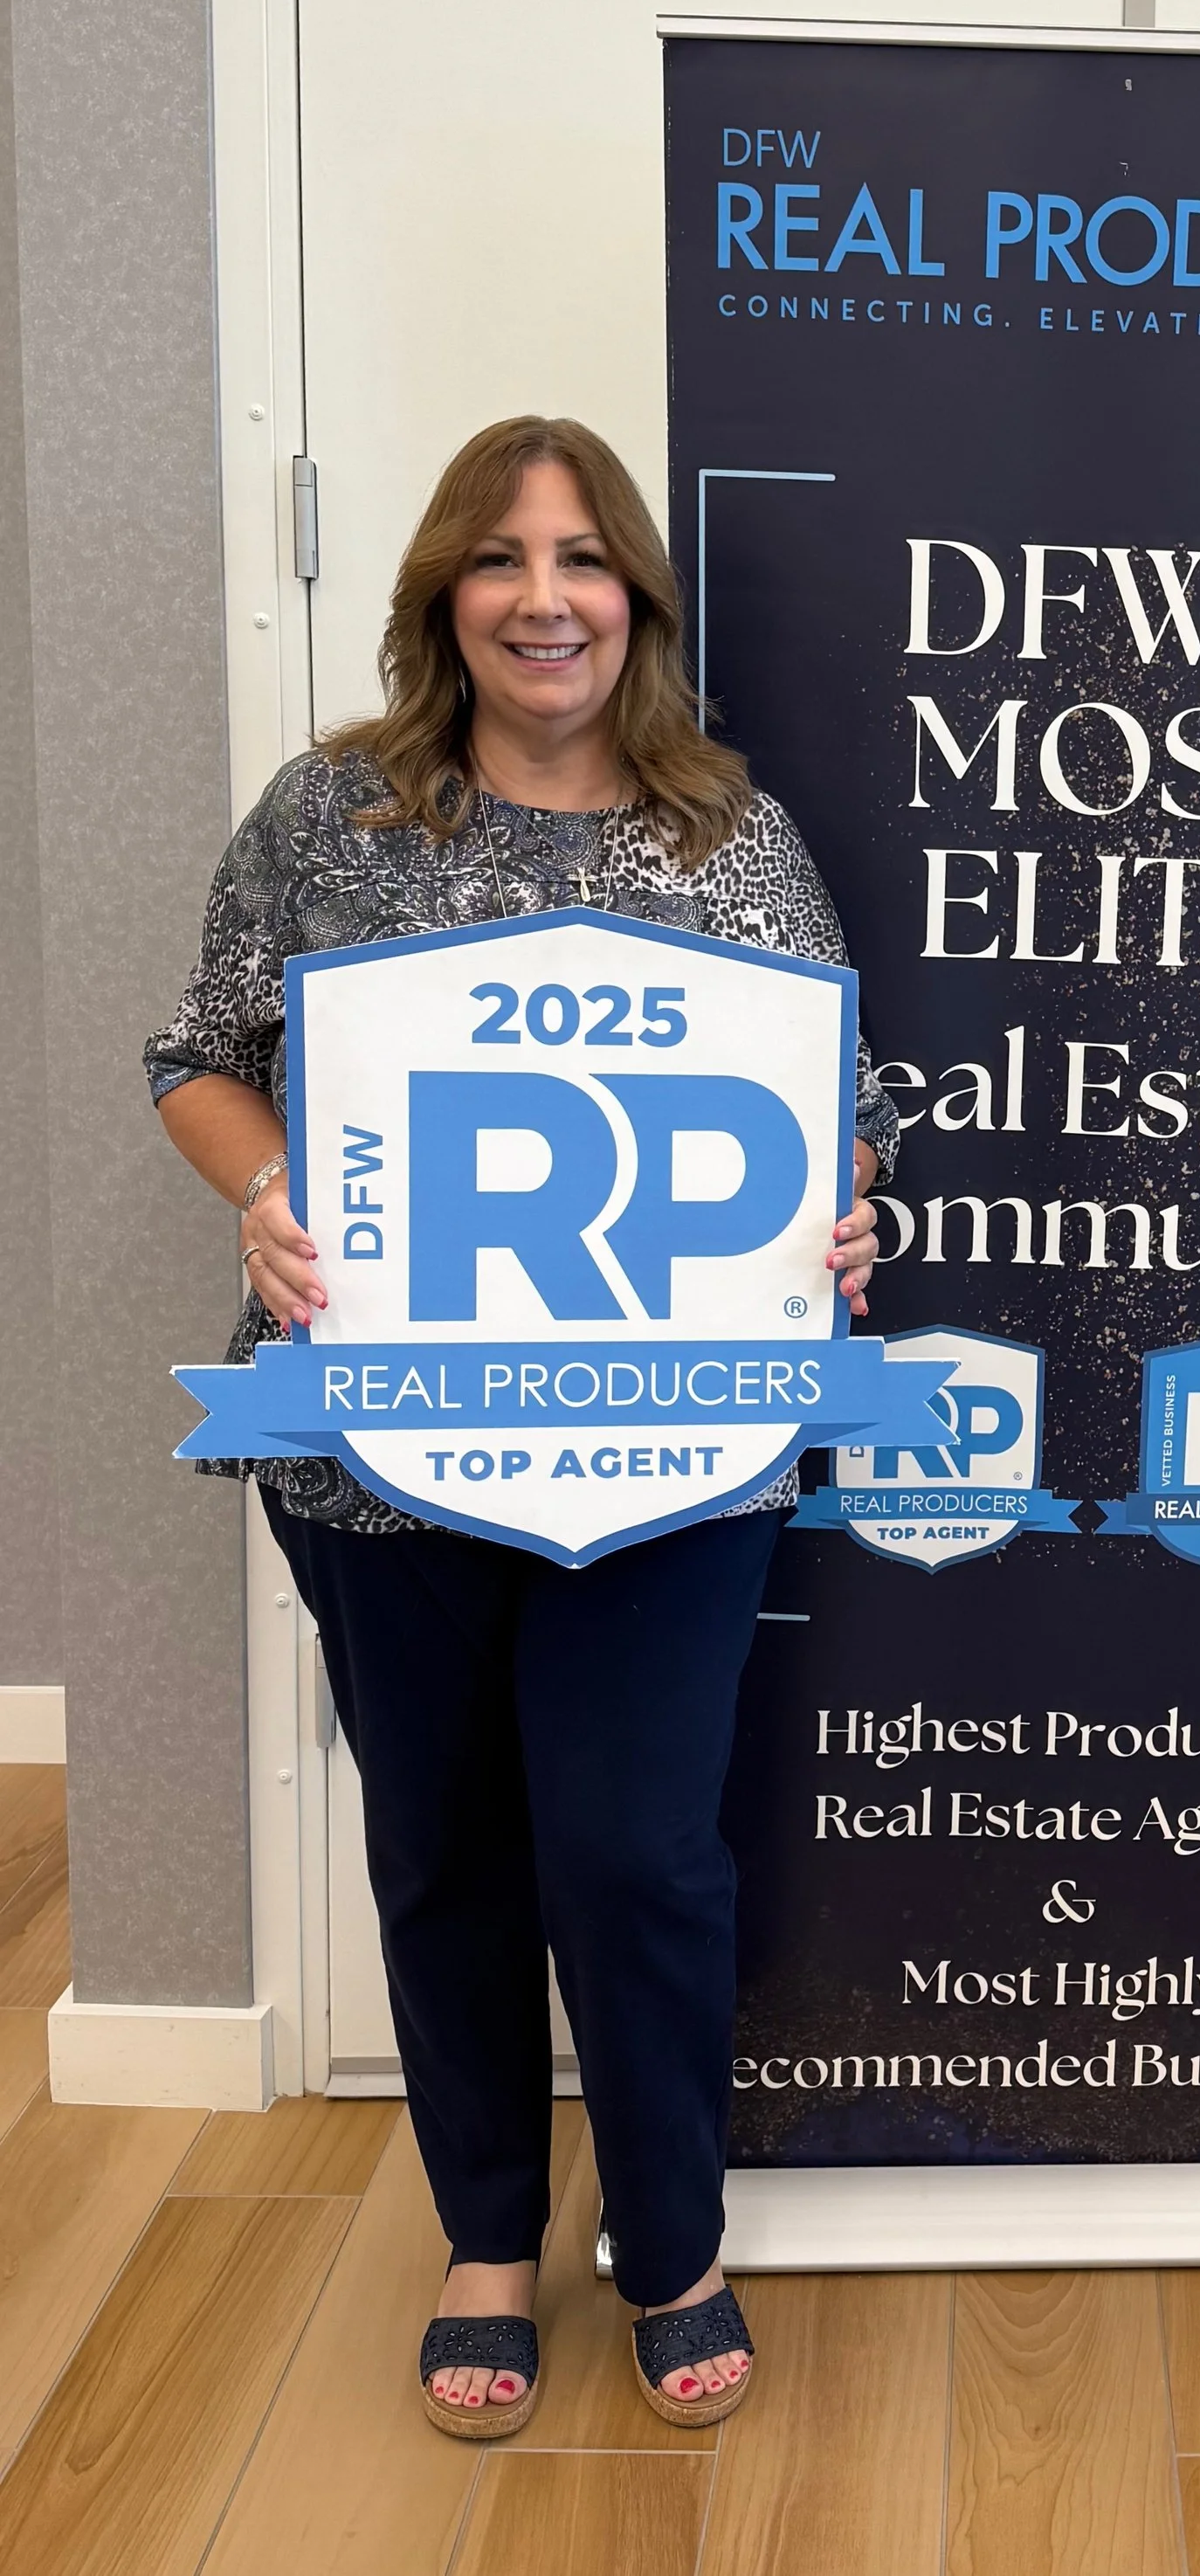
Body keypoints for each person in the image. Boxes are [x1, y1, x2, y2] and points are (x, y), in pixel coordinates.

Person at [148, 417, 898, 2440]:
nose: (543, 598)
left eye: (582, 561)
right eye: (500, 558)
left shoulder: (726, 835)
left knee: (637, 1853)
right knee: (447, 1842)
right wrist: (265, 1191)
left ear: (635, 601)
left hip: (674, 1446)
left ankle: (671, 2238)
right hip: (378, 1439)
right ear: (443, 598)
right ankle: (488, 2234)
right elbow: (198, 1055)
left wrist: (843, 1213)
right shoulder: (331, 815)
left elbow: (840, 1113)